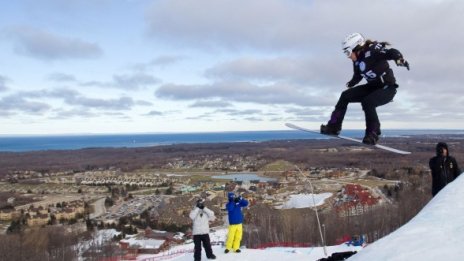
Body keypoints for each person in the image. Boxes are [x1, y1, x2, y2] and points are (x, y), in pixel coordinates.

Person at [320, 32, 410, 145]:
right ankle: (333, 127)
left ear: (356, 48)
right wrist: (352, 83)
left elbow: (391, 52)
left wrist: (399, 59)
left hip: (387, 88)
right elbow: (358, 74)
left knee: (368, 102)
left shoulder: (372, 51)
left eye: (347, 52)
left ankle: (373, 133)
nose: (347, 56)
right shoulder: (357, 60)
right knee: (345, 96)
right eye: (345, 53)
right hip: (373, 87)